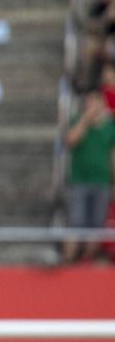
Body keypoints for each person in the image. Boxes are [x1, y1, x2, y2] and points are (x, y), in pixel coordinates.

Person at [61, 95, 114, 265]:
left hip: (102, 181)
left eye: (95, 103)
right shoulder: (77, 121)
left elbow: (113, 156)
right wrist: (85, 120)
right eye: (88, 103)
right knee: (75, 222)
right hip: (79, 181)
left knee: (97, 224)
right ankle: (68, 259)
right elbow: (70, 140)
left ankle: (87, 260)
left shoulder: (110, 127)